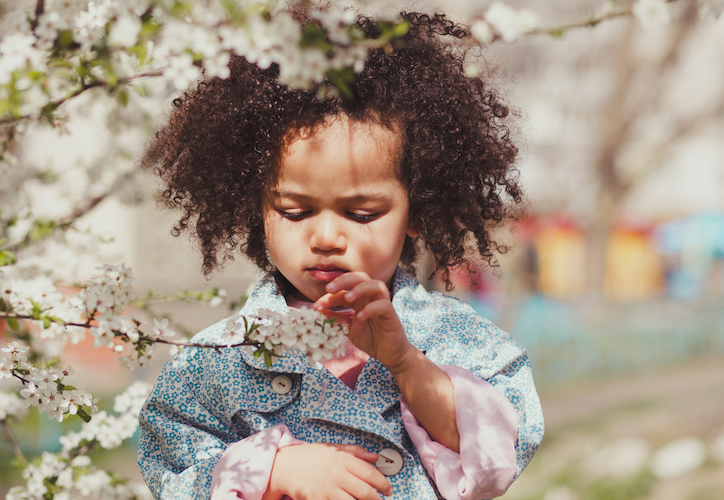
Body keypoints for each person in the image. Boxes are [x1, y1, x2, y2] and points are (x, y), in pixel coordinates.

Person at [138, 9, 544, 500]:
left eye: (362, 213)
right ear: (258, 207)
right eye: (294, 211)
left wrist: (408, 365)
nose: (327, 236)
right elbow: (171, 470)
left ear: (417, 210)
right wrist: (270, 469)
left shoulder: (462, 342)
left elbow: (498, 461)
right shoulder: (216, 359)